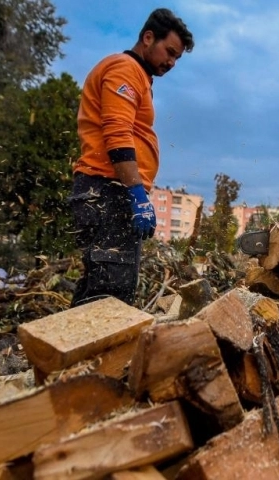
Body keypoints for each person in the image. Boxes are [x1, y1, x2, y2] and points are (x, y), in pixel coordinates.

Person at [69, 8, 194, 307]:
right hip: (108, 191)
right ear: (148, 37)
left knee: (98, 286)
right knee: (110, 295)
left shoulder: (138, 76)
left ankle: (70, 350)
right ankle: (95, 353)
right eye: (169, 52)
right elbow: (117, 133)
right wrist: (137, 193)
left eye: (177, 58)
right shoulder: (125, 69)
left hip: (108, 191)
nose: (171, 62)